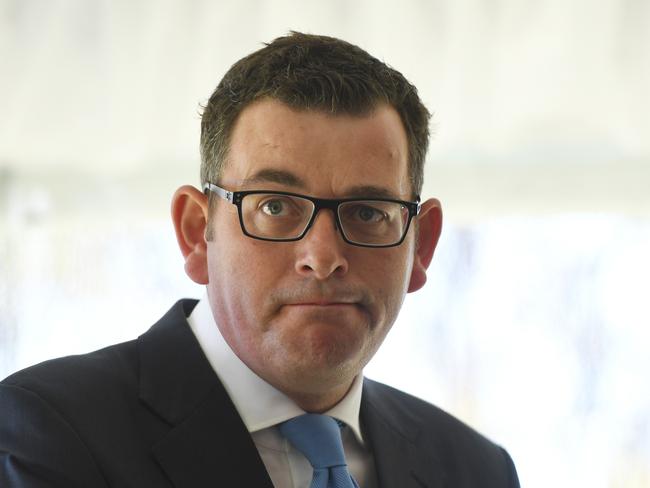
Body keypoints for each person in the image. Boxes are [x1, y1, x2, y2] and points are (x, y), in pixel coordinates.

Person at [0, 32, 519, 487]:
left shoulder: (476, 471)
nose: (323, 257)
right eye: (274, 206)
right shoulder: (48, 433)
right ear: (196, 234)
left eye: (367, 212)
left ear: (421, 246)